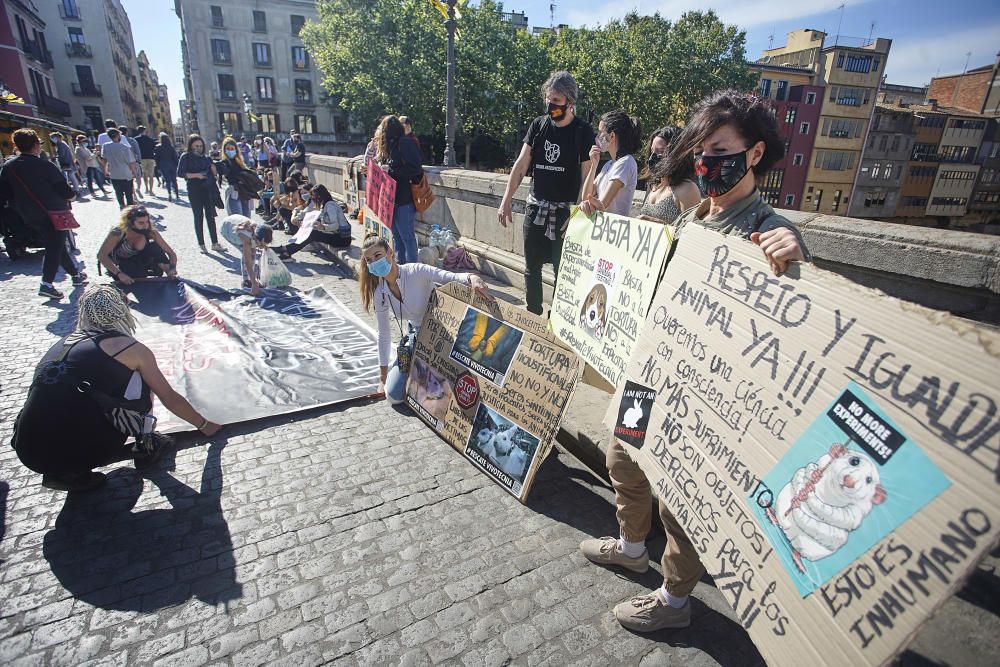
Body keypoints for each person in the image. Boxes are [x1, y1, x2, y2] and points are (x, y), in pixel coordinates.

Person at [582, 89, 809, 634]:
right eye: (701, 148)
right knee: (621, 458)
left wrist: (790, 251)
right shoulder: (695, 218)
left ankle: (675, 599)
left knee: (684, 504)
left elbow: (795, 305)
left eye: (721, 148)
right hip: (650, 373)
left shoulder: (767, 230)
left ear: (754, 155)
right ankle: (633, 546)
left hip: (704, 398)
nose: (706, 160)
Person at [11, 284, 221, 491]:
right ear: (122, 311)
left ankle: (68, 473)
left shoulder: (63, 344)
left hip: (27, 450)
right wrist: (203, 425)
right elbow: (168, 396)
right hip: (80, 449)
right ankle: (146, 445)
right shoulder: (130, 349)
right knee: (139, 381)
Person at [497, 71, 596, 315]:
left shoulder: (583, 131)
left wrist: (576, 214)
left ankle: (558, 318)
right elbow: (521, 165)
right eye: (548, 100)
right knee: (531, 268)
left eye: (557, 101)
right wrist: (506, 199)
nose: (551, 105)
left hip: (564, 212)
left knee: (563, 271)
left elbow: (586, 176)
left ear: (570, 103)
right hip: (537, 207)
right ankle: (533, 314)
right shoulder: (539, 126)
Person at [359, 234, 491, 404]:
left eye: (377, 255)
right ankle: (406, 368)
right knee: (393, 395)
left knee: (455, 388)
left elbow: (448, 277)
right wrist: (382, 378)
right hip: (417, 339)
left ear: (390, 253)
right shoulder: (380, 293)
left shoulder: (416, 271)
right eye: (369, 260)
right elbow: (384, 334)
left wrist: (472, 278)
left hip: (444, 333)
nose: (374, 262)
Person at [0, 129, 87, 299]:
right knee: (54, 246)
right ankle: (46, 284)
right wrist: (72, 196)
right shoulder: (45, 165)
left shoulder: (8, 167)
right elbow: (64, 189)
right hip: (53, 212)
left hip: (28, 214)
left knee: (57, 243)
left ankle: (75, 275)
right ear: (35, 145)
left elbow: (5, 194)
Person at [378, 115, 423, 265]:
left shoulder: (404, 143)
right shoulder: (391, 146)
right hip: (392, 200)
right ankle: (401, 271)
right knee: (397, 238)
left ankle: (412, 273)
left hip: (404, 199)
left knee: (407, 238)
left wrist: (390, 171)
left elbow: (416, 168)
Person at [580, 110, 642, 217]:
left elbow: (602, 205)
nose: (598, 136)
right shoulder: (609, 164)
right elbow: (586, 197)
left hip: (614, 229)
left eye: (601, 132)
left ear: (612, 136)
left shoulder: (626, 162)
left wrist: (588, 203)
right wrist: (593, 166)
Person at [636, 125, 701, 225]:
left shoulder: (687, 189)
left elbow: (689, 233)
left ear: (677, 155)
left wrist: (658, 224)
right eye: (652, 151)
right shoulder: (654, 185)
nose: (652, 157)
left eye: (661, 152)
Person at [97, 205, 178, 284]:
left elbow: (171, 253)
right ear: (130, 222)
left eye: (147, 222)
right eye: (141, 223)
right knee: (137, 278)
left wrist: (172, 268)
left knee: (154, 247)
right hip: (121, 263)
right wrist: (119, 274)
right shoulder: (118, 232)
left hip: (140, 259)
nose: (145, 226)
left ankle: (169, 276)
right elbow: (101, 255)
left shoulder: (151, 232)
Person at [276, 184, 351, 259]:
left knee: (313, 234)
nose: (313, 199)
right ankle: (287, 249)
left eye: (314, 196)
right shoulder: (324, 205)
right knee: (310, 230)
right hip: (335, 234)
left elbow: (335, 226)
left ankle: (287, 250)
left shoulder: (330, 206)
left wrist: (322, 227)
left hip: (342, 239)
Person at [177, 134, 222, 253]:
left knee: (210, 216)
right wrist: (196, 175)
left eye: (201, 146)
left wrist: (214, 171)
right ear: (191, 145)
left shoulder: (205, 158)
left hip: (207, 188)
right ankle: (201, 244)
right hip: (194, 188)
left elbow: (213, 172)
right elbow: (180, 173)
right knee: (198, 217)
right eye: (196, 146)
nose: (198, 148)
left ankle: (215, 243)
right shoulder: (185, 156)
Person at [218, 214, 273, 296]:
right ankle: (246, 281)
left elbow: (258, 243)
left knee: (254, 253)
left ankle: (253, 280)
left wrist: (262, 246)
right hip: (226, 228)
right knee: (248, 256)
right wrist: (254, 284)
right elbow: (248, 262)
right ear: (257, 238)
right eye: (261, 244)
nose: (261, 246)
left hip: (235, 221)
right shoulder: (246, 237)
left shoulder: (258, 231)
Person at [216, 136, 258, 218]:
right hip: (233, 191)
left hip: (244, 191)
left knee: (247, 218)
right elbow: (226, 173)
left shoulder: (240, 161)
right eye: (228, 149)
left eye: (232, 148)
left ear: (236, 149)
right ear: (224, 150)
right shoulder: (224, 162)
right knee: (237, 219)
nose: (230, 151)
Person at [101, 128, 139, 208]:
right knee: (129, 193)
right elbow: (131, 162)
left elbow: (104, 160)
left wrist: (105, 171)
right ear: (118, 136)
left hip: (114, 174)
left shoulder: (105, 146)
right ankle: (129, 209)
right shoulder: (124, 147)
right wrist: (134, 172)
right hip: (126, 174)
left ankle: (122, 206)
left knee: (118, 193)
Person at [50, 132, 82, 198]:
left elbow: (61, 155)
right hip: (68, 162)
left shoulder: (60, 144)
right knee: (72, 177)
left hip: (65, 163)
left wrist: (55, 157)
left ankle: (75, 191)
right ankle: (76, 190)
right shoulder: (63, 143)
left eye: (53, 137)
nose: (52, 139)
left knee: (69, 177)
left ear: (57, 137)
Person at [154, 133, 180, 201]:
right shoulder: (171, 147)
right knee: (174, 180)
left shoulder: (158, 147)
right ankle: (177, 194)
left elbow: (157, 158)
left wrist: (158, 167)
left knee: (167, 180)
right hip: (172, 164)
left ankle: (169, 194)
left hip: (163, 164)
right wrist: (177, 165)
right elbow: (175, 157)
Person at [118, 127, 143, 198]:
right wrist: (139, 161)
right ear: (127, 132)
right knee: (138, 177)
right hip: (134, 161)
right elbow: (138, 151)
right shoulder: (132, 140)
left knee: (129, 179)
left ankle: (134, 194)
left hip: (124, 163)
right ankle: (138, 188)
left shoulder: (118, 142)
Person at [134, 125, 158, 197]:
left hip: (141, 158)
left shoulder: (135, 139)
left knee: (144, 174)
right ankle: (151, 191)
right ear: (145, 131)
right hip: (150, 158)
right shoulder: (150, 139)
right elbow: (154, 148)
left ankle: (146, 189)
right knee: (151, 175)